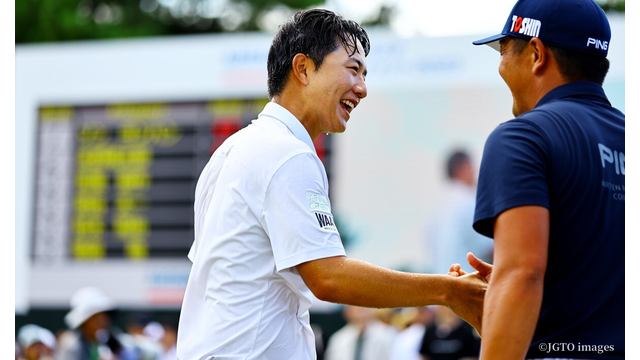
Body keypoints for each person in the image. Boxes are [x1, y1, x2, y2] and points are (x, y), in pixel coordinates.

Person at [177, 8, 487, 360]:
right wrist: (448, 290)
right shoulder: (287, 153)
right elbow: (329, 278)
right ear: (303, 68)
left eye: (365, 74)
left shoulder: (232, 150)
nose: (363, 89)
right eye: (353, 69)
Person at [452, 0, 624, 359]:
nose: (500, 65)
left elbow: (523, 274)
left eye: (503, 50)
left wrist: (509, 284)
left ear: (535, 54)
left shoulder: (522, 138)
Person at [427, 150, 493, 273]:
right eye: (472, 168)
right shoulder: (469, 201)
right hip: (466, 285)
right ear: (463, 168)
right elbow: (491, 248)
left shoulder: (437, 211)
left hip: (441, 284)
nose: (475, 174)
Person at [324, 306, 398, 360]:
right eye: (354, 305)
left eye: (364, 304)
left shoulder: (389, 334)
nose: (360, 308)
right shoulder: (338, 339)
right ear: (346, 311)